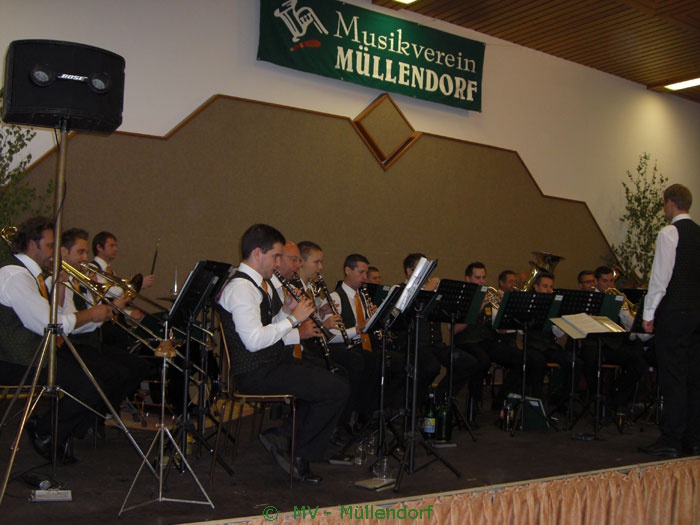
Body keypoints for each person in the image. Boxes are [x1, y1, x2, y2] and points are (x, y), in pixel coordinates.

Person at [217, 224, 349, 483]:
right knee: (335, 388)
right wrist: (293, 319)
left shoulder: (256, 285)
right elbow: (254, 341)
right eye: (275, 256)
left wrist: (286, 312)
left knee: (333, 379)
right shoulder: (241, 288)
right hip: (255, 372)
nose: (279, 263)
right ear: (258, 253)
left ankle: (285, 437)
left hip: (270, 363)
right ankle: (298, 453)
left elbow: (266, 329)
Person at [0, 217, 118, 462]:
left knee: (97, 380)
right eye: (50, 246)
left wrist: (60, 289)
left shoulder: (31, 275)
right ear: (32, 244)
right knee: (89, 387)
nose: (54, 253)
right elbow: (50, 325)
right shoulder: (15, 276)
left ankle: (53, 433)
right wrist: (90, 314)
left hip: (32, 355)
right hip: (15, 361)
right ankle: (45, 431)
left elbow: (51, 317)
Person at [57, 228, 152, 419]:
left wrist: (97, 298)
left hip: (90, 340)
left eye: (86, 252)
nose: (86, 258)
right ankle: (97, 415)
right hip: (73, 344)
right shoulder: (60, 280)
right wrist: (110, 310)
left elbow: (93, 315)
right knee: (114, 374)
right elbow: (71, 322)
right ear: (63, 253)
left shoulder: (78, 279)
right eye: (80, 252)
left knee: (140, 366)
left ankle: (99, 413)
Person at [639, 184, 700, 458]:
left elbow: (660, 278)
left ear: (670, 203)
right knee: (694, 377)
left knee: (673, 377)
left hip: (675, 313)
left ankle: (671, 438)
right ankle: (693, 438)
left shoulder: (669, 233)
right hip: (697, 315)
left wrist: (648, 314)